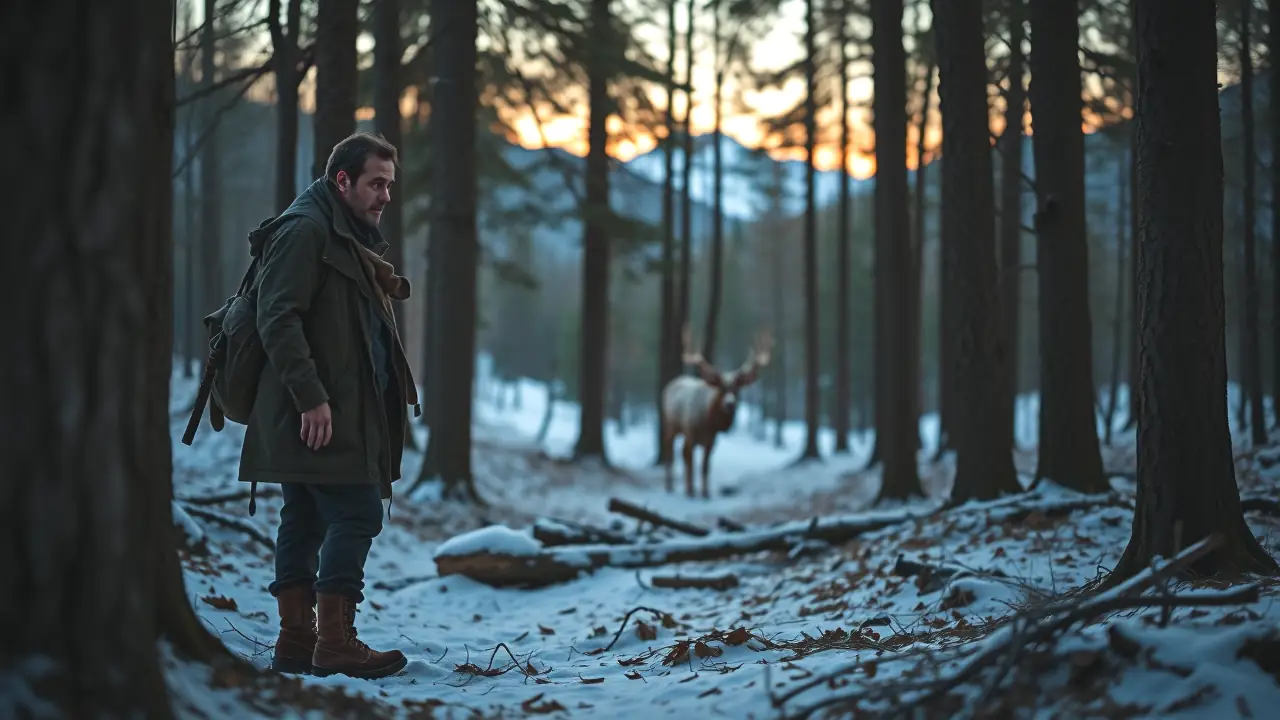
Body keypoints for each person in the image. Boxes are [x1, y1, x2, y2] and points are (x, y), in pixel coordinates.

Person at [238, 132, 419, 679]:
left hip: (323, 409)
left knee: (306, 515)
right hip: (314, 410)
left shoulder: (336, 230)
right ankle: (335, 643)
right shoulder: (306, 230)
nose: (385, 195)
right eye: (375, 183)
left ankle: (297, 642)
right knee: (357, 512)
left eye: (389, 184)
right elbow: (278, 316)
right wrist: (311, 397)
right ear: (342, 181)